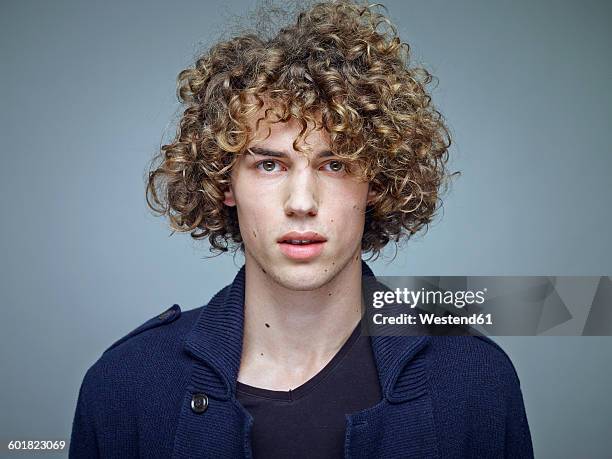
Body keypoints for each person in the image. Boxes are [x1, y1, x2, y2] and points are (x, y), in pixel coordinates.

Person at [69, 0, 533, 457]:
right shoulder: (126, 384)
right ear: (224, 181)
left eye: (334, 164)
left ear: (376, 181)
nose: (302, 203)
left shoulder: (473, 378)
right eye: (270, 165)